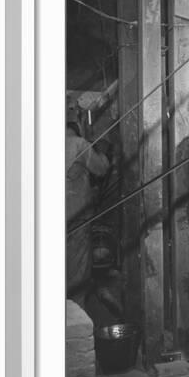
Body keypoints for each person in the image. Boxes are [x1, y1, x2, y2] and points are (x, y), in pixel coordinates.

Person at [66, 96, 110, 309]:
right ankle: (75, 320)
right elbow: (101, 168)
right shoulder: (78, 144)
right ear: (77, 124)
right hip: (76, 218)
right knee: (77, 272)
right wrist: (101, 148)